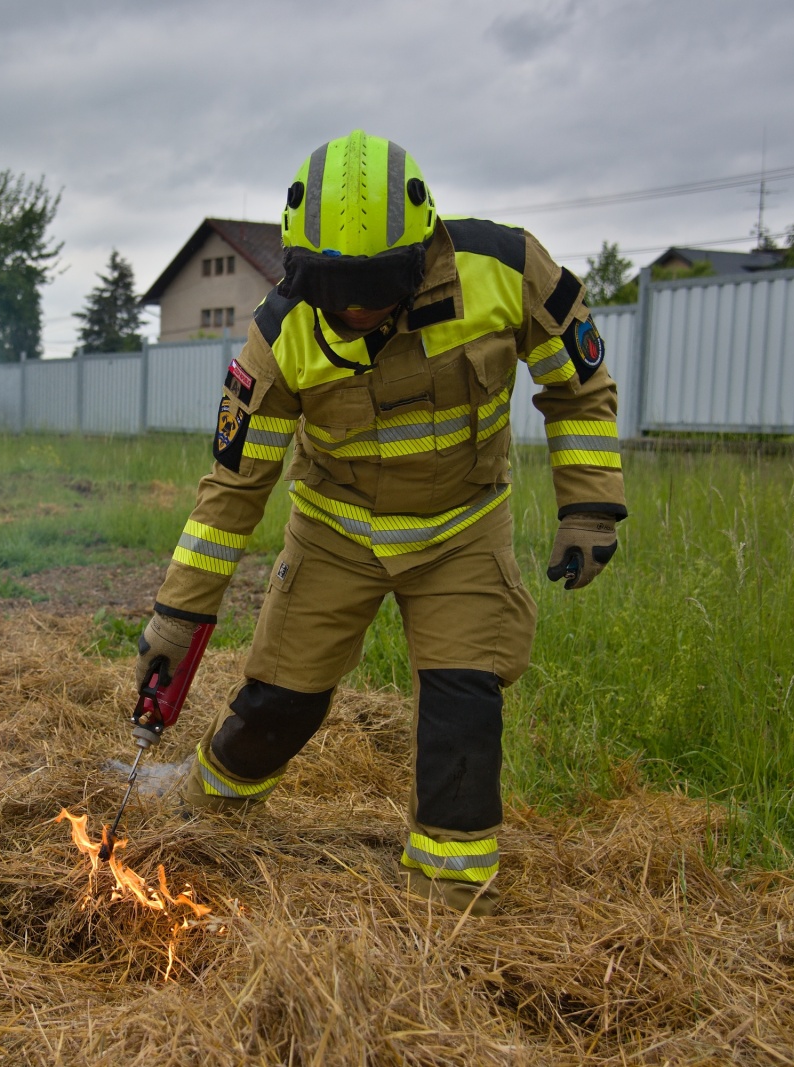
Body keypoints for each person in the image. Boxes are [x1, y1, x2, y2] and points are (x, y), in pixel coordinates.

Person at [136, 131, 625, 915]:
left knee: (464, 709)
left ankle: (445, 904)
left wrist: (590, 504)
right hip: (336, 534)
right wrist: (176, 615)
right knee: (278, 705)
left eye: (378, 283)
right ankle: (201, 813)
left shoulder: (504, 269)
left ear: (423, 248)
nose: (358, 306)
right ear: (300, 266)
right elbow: (233, 491)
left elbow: (579, 381)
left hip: (462, 531)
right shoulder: (280, 335)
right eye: (336, 285)